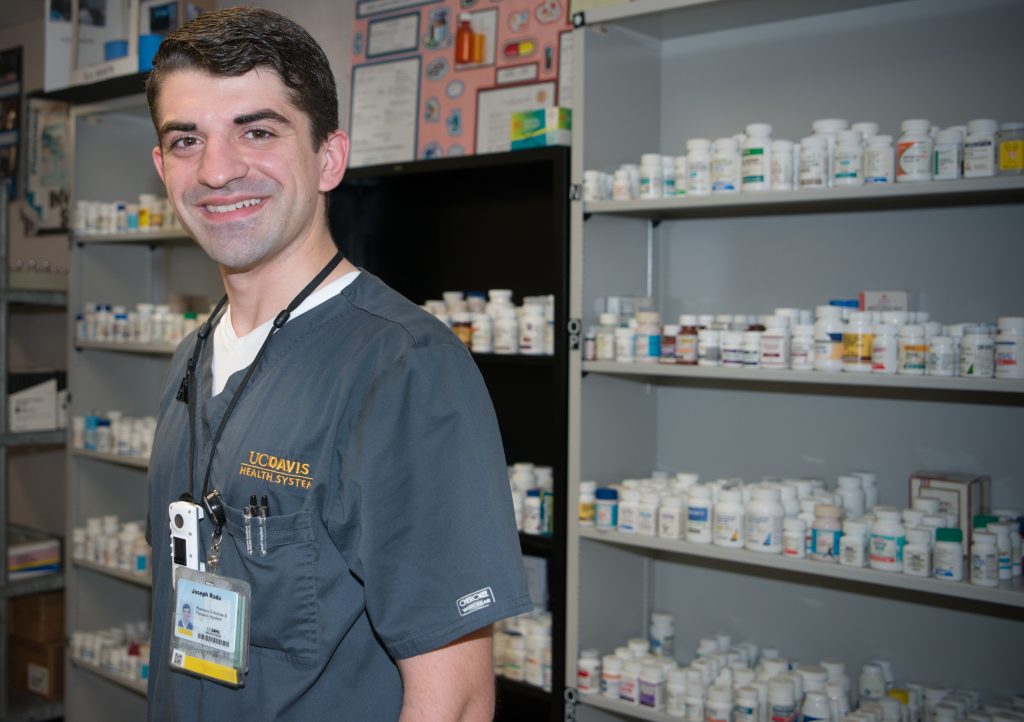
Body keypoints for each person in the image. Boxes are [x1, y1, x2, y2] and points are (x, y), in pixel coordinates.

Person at [144, 8, 531, 720]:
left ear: (329, 157)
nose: (218, 170)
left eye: (257, 132)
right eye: (186, 140)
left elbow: (459, 701)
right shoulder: (192, 359)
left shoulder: (403, 368)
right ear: (162, 167)